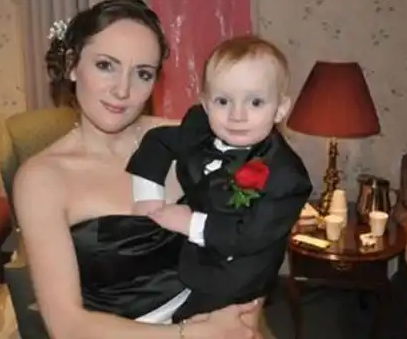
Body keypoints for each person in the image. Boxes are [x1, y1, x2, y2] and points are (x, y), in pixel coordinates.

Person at [12, 0, 261, 339]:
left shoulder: (187, 139)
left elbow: (255, 233)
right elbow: (67, 326)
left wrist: (241, 316)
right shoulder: (42, 180)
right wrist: (190, 336)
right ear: (72, 65)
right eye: (106, 65)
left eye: (142, 73)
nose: (123, 90)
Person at [126, 36, 313, 322]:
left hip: (235, 277)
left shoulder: (288, 177)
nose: (237, 115)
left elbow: (250, 236)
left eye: (255, 102)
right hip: (187, 254)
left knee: (187, 325)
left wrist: (191, 223)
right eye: (223, 101)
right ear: (205, 103)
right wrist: (148, 196)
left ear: (280, 109)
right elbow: (158, 141)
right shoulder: (198, 128)